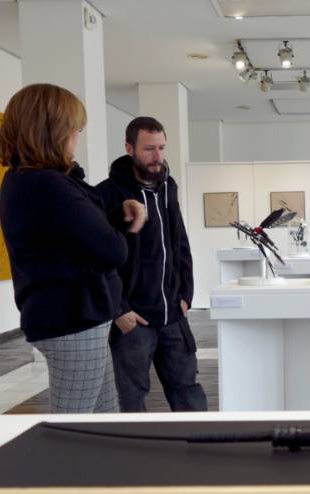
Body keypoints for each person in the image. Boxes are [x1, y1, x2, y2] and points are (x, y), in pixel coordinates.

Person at [0, 83, 145, 413]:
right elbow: (112, 250)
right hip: (72, 319)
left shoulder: (30, 181)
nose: (77, 136)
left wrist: (115, 217)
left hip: (75, 317)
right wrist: (121, 230)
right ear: (53, 130)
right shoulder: (46, 185)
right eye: (74, 128)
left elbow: (71, 236)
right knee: (73, 422)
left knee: (102, 418)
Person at [97, 117, 208, 412]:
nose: (158, 156)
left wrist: (186, 294)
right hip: (134, 320)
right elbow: (99, 260)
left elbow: (180, 243)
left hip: (173, 314)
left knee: (189, 393)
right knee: (130, 399)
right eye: (149, 149)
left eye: (162, 147)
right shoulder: (106, 194)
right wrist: (119, 309)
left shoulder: (168, 187)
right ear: (129, 148)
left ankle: (204, 441)